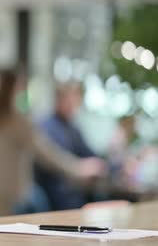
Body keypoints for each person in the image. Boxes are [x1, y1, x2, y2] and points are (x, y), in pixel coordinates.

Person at [0, 70, 106, 216]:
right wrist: (78, 169)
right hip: (3, 196)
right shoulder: (16, 121)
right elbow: (47, 155)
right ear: (17, 88)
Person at [34, 82, 107, 210]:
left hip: (76, 186)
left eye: (75, 100)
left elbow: (90, 153)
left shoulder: (73, 129)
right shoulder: (46, 127)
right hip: (56, 188)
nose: (73, 105)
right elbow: (53, 161)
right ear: (58, 100)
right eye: (69, 100)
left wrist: (102, 164)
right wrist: (80, 168)